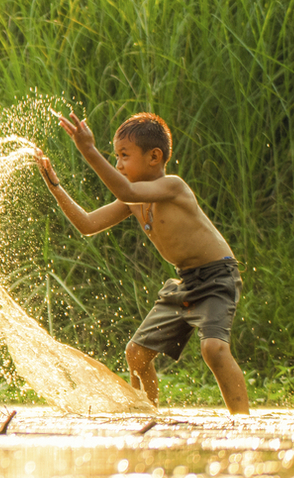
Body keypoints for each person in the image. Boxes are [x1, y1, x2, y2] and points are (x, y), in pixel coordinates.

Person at [35, 112, 251, 414]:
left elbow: (126, 189)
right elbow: (86, 224)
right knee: (136, 354)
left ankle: (242, 421)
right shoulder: (132, 200)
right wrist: (55, 185)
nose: (119, 164)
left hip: (217, 277)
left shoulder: (173, 186)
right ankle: (148, 415)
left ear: (154, 157)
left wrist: (88, 150)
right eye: (116, 157)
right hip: (185, 281)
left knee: (213, 349)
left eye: (124, 156)